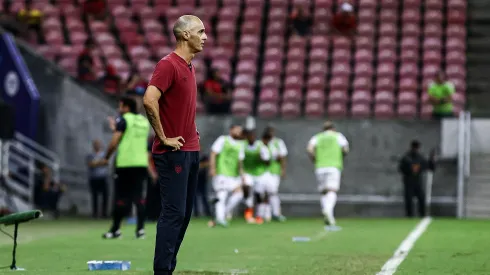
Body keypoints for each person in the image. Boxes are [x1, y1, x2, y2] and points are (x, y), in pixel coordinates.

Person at [142, 15, 206, 275]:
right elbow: (149, 100)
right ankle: (162, 270)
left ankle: (169, 266)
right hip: (173, 153)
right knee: (173, 213)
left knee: (185, 215)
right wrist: (164, 137)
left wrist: (191, 129)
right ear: (185, 35)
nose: (205, 37)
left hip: (191, 149)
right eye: (200, 32)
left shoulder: (190, 66)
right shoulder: (168, 65)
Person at [101, 97, 151, 239]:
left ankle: (115, 230)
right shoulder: (144, 121)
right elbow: (133, 137)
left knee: (121, 198)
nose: (119, 109)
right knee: (139, 198)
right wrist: (116, 128)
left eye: (121, 106)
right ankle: (140, 230)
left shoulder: (124, 119)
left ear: (127, 107)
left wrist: (106, 157)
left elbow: (115, 141)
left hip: (125, 163)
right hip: (141, 163)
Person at [307, 121, 349, 231]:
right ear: (333, 128)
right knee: (332, 190)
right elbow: (345, 149)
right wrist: (341, 155)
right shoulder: (338, 136)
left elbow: (310, 149)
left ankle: (328, 215)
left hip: (320, 166)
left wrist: (314, 159)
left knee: (323, 191)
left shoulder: (317, 137)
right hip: (333, 166)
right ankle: (328, 210)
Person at [208, 125, 245, 227]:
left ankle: (222, 214)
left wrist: (242, 174)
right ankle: (220, 219)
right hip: (222, 173)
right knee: (222, 195)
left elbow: (240, 161)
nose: (238, 132)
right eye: (236, 130)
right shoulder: (223, 139)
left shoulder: (240, 144)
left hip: (234, 175)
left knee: (239, 195)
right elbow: (213, 153)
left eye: (240, 131)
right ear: (231, 130)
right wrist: (212, 168)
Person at [398, 140, 435, 217]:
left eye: (417, 148)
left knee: (422, 199)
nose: (416, 150)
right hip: (408, 183)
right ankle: (409, 216)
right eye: (415, 148)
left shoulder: (420, 158)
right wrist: (409, 169)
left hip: (418, 183)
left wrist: (431, 159)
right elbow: (401, 169)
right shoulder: (406, 158)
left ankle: (422, 215)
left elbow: (430, 168)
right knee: (409, 201)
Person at [242, 129, 272, 224]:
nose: (251, 138)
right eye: (249, 136)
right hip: (247, 172)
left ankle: (259, 216)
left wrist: (261, 158)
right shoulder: (243, 145)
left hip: (259, 173)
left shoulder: (261, 146)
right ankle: (248, 214)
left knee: (259, 194)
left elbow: (268, 162)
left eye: (253, 136)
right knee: (247, 188)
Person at [264, 126, 288, 221]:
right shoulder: (263, 142)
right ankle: (266, 214)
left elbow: (282, 157)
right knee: (264, 192)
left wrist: (283, 170)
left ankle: (276, 213)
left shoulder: (278, 142)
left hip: (274, 171)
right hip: (263, 171)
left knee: (273, 192)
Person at [86, 139, 109, 218]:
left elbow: (106, 162)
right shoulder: (90, 155)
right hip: (94, 178)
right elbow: (90, 164)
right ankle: (95, 214)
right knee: (94, 196)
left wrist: (96, 163)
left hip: (103, 177)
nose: (97, 146)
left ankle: (104, 213)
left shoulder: (104, 154)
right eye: (96, 144)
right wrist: (99, 163)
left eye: (98, 144)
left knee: (105, 196)